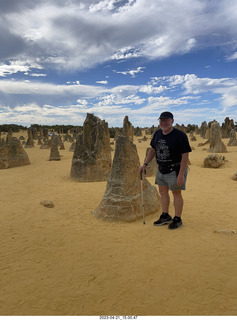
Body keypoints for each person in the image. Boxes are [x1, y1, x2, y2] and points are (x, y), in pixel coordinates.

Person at [139, 111, 192, 229]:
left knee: (176, 193)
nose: (163, 123)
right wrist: (145, 164)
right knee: (163, 192)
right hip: (161, 169)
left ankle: (177, 218)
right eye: (161, 120)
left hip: (175, 169)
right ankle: (165, 215)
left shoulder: (180, 135)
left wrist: (181, 175)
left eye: (166, 120)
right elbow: (152, 150)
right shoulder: (157, 134)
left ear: (172, 121)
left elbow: (185, 155)